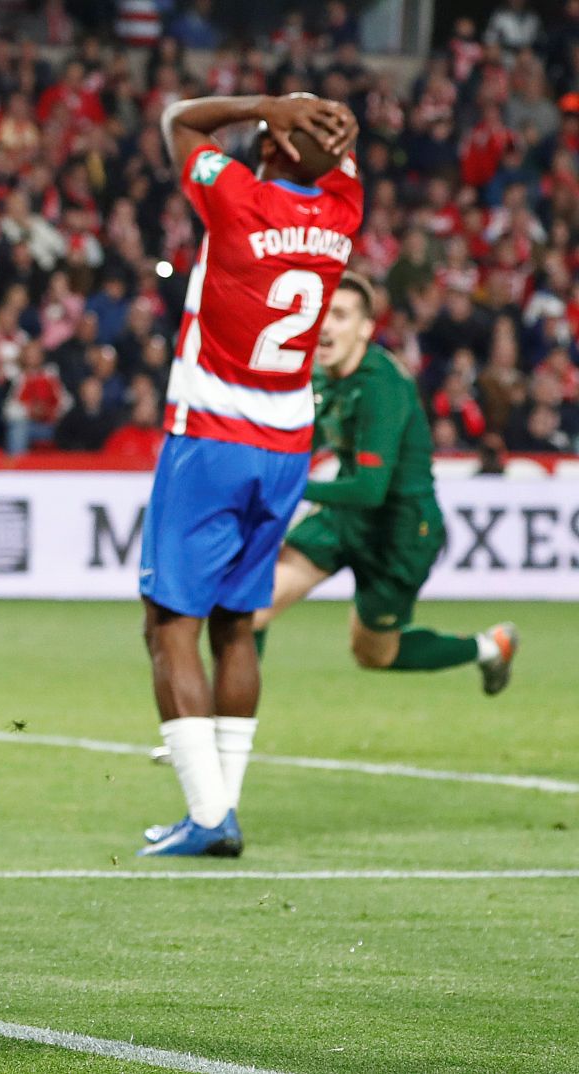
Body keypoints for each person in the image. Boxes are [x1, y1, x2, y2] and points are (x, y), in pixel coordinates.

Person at [138, 93, 363, 858]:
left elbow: (179, 120)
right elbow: (337, 155)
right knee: (237, 624)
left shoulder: (237, 198)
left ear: (273, 145)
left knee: (170, 624)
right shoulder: (343, 212)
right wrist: (321, 127)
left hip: (211, 436)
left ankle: (208, 816)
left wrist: (264, 104)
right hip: (287, 446)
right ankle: (221, 807)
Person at [252, 274, 517, 688]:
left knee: (374, 653)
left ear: (365, 329)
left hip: (400, 532)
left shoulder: (383, 386)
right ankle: (229, 726)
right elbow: (309, 439)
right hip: (343, 518)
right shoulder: (323, 375)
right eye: (321, 314)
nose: (325, 326)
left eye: (340, 316)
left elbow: (369, 489)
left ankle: (488, 647)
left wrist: (286, 488)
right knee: (251, 609)